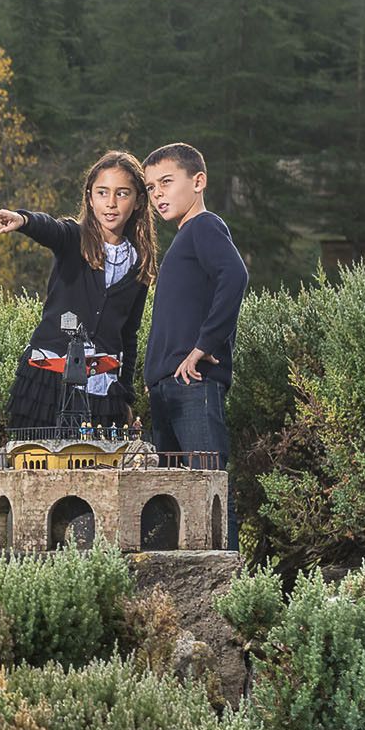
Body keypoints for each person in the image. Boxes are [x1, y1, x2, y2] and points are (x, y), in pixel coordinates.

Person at [0, 150, 157, 439]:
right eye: (102, 192)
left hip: (103, 386)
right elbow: (50, 229)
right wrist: (23, 220)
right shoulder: (73, 238)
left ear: (139, 200)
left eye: (122, 193)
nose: (111, 203)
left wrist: (126, 395)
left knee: (95, 470)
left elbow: (129, 333)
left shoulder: (139, 260)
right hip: (47, 378)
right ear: (89, 196)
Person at [141, 143, 248, 546]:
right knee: (171, 500)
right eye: (151, 188)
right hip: (166, 388)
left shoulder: (205, 226)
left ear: (198, 181)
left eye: (166, 183)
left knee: (209, 490)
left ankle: (228, 591)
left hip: (193, 386)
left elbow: (235, 277)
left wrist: (205, 344)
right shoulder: (183, 241)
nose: (158, 195)